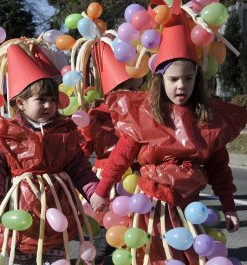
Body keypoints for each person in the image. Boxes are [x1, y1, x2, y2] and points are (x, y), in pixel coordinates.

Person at [90, 7, 247, 265]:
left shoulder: (208, 120)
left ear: (198, 79)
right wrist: (103, 189)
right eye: (174, 79)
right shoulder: (144, 115)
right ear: (160, 80)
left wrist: (229, 206)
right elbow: (122, 155)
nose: (181, 86)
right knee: (152, 257)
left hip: (190, 208)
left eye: (188, 78)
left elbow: (219, 168)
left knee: (190, 257)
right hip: (153, 208)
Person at [0, 44, 99, 264]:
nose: (49, 105)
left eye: (53, 100)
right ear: (21, 103)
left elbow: (79, 167)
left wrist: (92, 191)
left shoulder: (64, 133)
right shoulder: (6, 135)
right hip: (22, 216)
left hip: (56, 215)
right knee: (23, 258)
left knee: (56, 256)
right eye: (41, 100)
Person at [79, 41, 144, 265]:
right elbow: (82, 147)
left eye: (138, 88)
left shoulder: (143, 113)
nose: (135, 94)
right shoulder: (96, 115)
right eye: (129, 88)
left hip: (136, 181)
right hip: (107, 180)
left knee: (135, 234)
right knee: (105, 236)